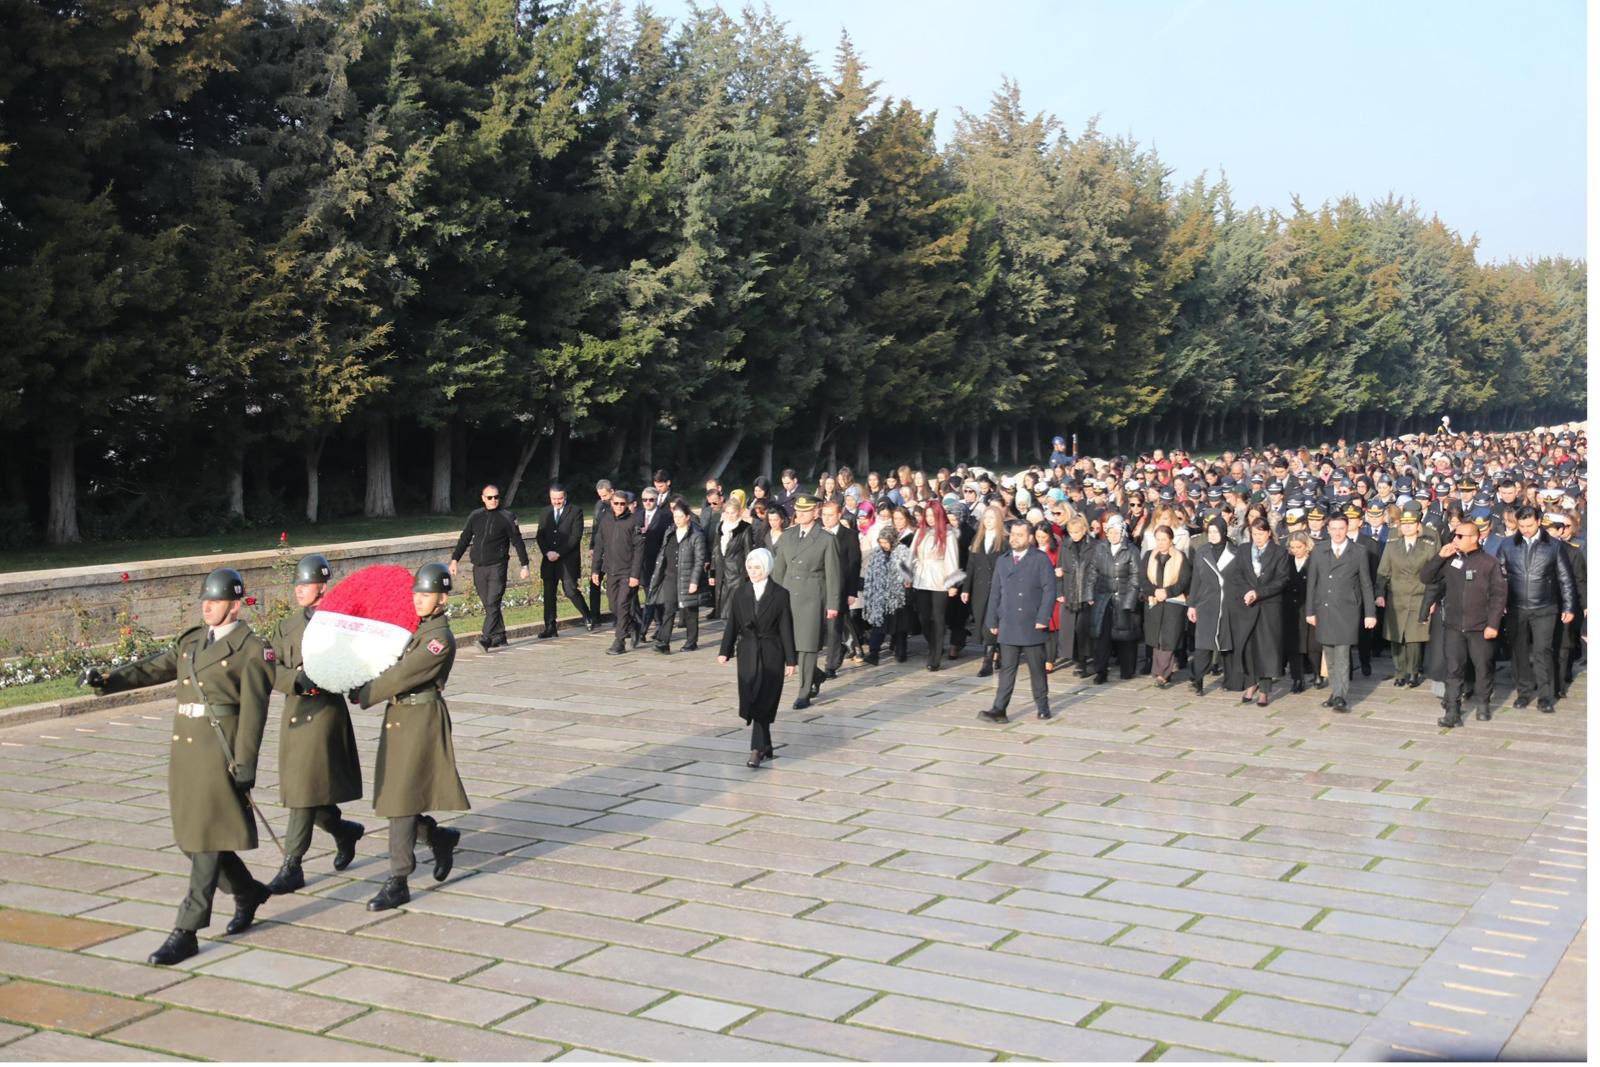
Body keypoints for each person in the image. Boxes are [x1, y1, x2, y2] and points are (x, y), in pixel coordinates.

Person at [87, 568, 274, 965]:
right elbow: (155, 667)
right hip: (186, 755)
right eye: (204, 599)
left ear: (235, 605)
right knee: (190, 840)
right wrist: (107, 680)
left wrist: (245, 763)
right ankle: (248, 891)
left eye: (216, 600)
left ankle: (186, 930)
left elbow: (255, 713)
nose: (207, 606)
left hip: (218, 757)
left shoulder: (252, 649)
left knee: (205, 840)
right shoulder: (192, 641)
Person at [356, 562, 468, 912]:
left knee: (401, 799)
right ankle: (437, 836)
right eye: (416, 593)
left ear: (442, 599)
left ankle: (398, 880)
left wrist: (365, 692)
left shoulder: (438, 639)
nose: (419, 600)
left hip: (420, 717)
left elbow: (404, 673)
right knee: (396, 795)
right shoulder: (415, 630)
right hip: (400, 716)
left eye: (426, 594)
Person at [262, 554, 365, 895]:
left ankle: (292, 865)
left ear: (323, 587)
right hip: (294, 711)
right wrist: (295, 680)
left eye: (306, 585)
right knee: (306, 790)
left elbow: (357, 666)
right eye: (297, 585)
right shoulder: (286, 626)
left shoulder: (342, 623)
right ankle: (342, 831)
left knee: (302, 792)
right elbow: (269, 668)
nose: (299, 591)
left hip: (323, 715)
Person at [1421, 520, 1507, 727]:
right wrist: (1439, 557)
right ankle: (1452, 711)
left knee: (1482, 667)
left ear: (1475, 538)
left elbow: (1499, 595)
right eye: (1454, 535)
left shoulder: (1489, 563)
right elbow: (1426, 577)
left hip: (1480, 626)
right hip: (1454, 626)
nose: (1455, 540)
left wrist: (1493, 624)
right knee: (1453, 669)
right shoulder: (1450, 559)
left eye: (1460, 536)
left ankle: (1483, 704)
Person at [717, 548, 797, 768]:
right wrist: (725, 650)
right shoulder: (740, 592)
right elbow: (732, 623)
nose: (753, 572)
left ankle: (756, 750)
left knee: (764, 699)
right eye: (750, 567)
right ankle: (766, 743)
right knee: (751, 697)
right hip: (747, 653)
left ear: (767, 568)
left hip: (772, 652)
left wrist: (791, 660)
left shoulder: (780, 594)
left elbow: (786, 628)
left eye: (757, 568)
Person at [1497, 505, 1577, 712]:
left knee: (1543, 651)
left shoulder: (1554, 546)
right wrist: (1500, 603)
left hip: (1545, 607)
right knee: (1519, 651)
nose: (1525, 529)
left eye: (1529, 525)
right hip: (1515, 608)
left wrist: (1568, 606)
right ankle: (1524, 692)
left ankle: (1545, 696)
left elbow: (1565, 579)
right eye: (1521, 525)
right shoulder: (1506, 544)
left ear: (1539, 522)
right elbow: (1499, 576)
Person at [979, 520, 1059, 722]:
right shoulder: (1003, 560)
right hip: (1008, 620)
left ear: (1030, 538)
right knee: (1007, 668)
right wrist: (992, 620)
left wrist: (1043, 617)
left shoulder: (1039, 559)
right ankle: (999, 709)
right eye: (1012, 534)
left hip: (1032, 621)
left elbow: (1050, 591)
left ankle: (1042, 705)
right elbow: (995, 591)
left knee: (1037, 668)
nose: (1014, 538)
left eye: (1020, 535)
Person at [769, 495, 841, 708]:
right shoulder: (787, 537)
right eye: (797, 510)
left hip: (812, 597)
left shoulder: (827, 539)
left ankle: (804, 692)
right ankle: (815, 675)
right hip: (788, 595)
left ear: (815, 513)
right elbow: (779, 571)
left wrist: (833, 604)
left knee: (808, 646)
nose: (799, 514)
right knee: (788, 643)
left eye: (805, 510)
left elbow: (833, 574)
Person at [1305, 513, 1377, 713]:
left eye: (1341, 528)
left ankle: (1340, 696)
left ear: (1348, 529)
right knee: (1329, 653)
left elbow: (1366, 584)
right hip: (1324, 607)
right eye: (1333, 528)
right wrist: (1310, 610)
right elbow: (1312, 583)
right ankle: (1336, 690)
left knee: (1343, 654)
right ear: (1328, 529)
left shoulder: (1359, 551)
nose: (1337, 533)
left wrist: (1370, 613)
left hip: (1347, 609)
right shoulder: (1319, 550)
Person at [449, 484, 531, 651]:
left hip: (497, 566)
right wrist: (454, 560)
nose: (493, 500)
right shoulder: (475, 516)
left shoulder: (507, 516)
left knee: (493, 601)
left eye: (496, 497)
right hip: (479, 566)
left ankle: (485, 638)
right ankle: (500, 636)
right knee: (488, 603)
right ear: (483, 498)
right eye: (490, 497)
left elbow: (517, 541)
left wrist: (525, 565)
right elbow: (464, 538)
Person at [1227, 518, 1291, 707]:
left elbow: (1281, 580)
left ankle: (1264, 690)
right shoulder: (1244, 550)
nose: (1258, 538)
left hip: (1268, 606)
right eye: (1254, 534)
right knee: (1248, 647)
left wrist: (1259, 593)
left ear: (1268, 533)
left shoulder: (1279, 553)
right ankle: (1250, 683)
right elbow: (1236, 574)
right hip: (1247, 605)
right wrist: (1247, 591)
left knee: (1266, 649)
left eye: (1261, 534)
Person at [1375, 504, 1436, 687]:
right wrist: (1379, 593)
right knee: (1396, 637)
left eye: (1411, 523)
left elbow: (1435, 575)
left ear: (1418, 525)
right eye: (1404, 524)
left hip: (1419, 596)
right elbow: (1383, 571)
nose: (1407, 527)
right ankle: (1399, 671)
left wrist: (1432, 600)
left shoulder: (1428, 546)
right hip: (1397, 597)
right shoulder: (1392, 546)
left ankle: (1413, 672)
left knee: (1414, 639)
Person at [536, 483, 597, 638]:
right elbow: (540, 535)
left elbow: (575, 537)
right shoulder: (545, 512)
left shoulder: (576, 511)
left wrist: (559, 553)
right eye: (554, 499)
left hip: (567, 559)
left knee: (570, 590)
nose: (557, 502)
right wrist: (547, 552)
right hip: (549, 559)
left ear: (565, 497)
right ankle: (550, 626)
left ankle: (587, 615)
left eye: (560, 498)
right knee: (549, 593)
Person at [909, 499, 962, 671]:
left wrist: (952, 583)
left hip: (940, 579)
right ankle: (933, 644)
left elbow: (952, 559)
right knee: (924, 617)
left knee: (938, 617)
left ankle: (935, 656)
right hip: (922, 578)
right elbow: (912, 555)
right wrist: (908, 575)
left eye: (933, 515)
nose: (930, 519)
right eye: (928, 515)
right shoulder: (920, 532)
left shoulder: (948, 533)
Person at [648, 500, 706, 653]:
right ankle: (663, 642)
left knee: (689, 609)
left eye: (680, 517)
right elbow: (663, 553)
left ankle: (691, 641)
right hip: (670, 576)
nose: (677, 520)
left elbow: (700, 560)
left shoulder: (696, 535)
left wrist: (694, 581)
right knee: (669, 608)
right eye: (675, 517)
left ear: (687, 517)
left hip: (687, 576)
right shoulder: (670, 532)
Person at [591, 491, 644, 654]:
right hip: (611, 570)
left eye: (623, 504)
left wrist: (635, 575)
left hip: (627, 572)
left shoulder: (632, 521)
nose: (620, 507)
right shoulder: (605, 519)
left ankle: (619, 641)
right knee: (613, 606)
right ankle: (633, 624)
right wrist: (595, 570)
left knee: (622, 604)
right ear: (611, 504)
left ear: (627, 504)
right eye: (616, 504)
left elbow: (639, 550)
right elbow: (599, 545)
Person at [1187, 515, 1234, 694]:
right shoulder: (1202, 551)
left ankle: (1230, 680)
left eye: (1216, 532)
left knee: (1226, 644)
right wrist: (1192, 605)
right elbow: (1196, 580)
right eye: (1210, 532)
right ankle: (1197, 680)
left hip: (1226, 603)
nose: (1213, 535)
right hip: (1206, 603)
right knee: (1203, 645)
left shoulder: (1234, 551)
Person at [1090, 515, 1141, 683]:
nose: (1113, 535)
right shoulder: (1100, 548)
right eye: (1110, 532)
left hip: (1124, 596)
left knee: (1126, 636)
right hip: (1104, 598)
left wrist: (1130, 601)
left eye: (1116, 532)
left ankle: (1127, 670)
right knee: (1101, 637)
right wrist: (1090, 595)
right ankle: (1101, 671)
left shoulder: (1131, 550)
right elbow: (1093, 572)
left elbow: (1136, 577)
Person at [1140, 526, 1190, 687]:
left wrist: (1166, 592)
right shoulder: (1149, 556)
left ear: (1171, 540)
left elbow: (1183, 581)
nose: (1160, 543)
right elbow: (1142, 579)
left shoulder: (1180, 557)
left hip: (1173, 602)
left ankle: (1163, 673)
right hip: (1154, 601)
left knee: (1168, 639)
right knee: (1157, 639)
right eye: (1158, 539)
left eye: (1164, 539)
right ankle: (1160, 671)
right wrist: (1154, 591)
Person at [962, 504, 1006, 677]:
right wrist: (966, 588)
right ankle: (996, 650)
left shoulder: (1004, 539)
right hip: (980, 588)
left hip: (998, 588)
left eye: (991, 518)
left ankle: (988, 660)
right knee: (982, 622)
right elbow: (971, 565)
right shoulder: (977, 539)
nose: (988, 522)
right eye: (985, 518)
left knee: (992, 624)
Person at [820, 500, 862, 676]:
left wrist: (852, 591)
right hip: (820, 587)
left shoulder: (849, 535)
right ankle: (841, 650)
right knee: (824, 627)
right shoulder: (818, 534)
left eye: (830, 515)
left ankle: (831, 665)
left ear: (839, 515)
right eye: (824, 515)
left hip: (841, 587)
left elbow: (854, 563)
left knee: (835, 627)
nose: (826, 519)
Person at [862, 526, 913, 665]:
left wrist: (905, 581)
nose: (883, 545)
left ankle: (901, 652)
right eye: (881, 542)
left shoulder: (903, 552)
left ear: (893, 540)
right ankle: (874, 653)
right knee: (878, 626)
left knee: (900, 626)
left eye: (886, 542)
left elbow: (908, 571)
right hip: (880, 596)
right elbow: (871, 573)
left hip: (898, 596)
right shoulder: (877, 553)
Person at [1059, 515, 1098, 677]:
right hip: (1069, 591)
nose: (1074, 535)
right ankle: (1077, 659)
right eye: (1071, 532)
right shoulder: (1065, 546)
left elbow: (1097, 570)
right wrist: (1059, 592)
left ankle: (1084, 660)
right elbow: (1058, 571)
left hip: (1087, 592)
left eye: (1077, 532)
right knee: (1071, 630)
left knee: (1084, 629)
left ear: (1084, 530)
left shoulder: (1094, 546)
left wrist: (1092, 593)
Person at [1282, 532, 1320, 691]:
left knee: (1313, 646)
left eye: (1299, 547)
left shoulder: (1314, 561)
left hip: (1310, 607)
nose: (1296, 550)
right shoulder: (1287, 561)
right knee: (1294, 646)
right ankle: (1297, 679)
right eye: (1292, 547)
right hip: (1291, 608)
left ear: (1307, 546)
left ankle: (1318, 673)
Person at [711, 497, 754, 621]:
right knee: (723, 610)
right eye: (728, 513)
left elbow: (748, 551)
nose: (730, 515)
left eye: (733, 512)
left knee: (734, 610)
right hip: (721, 573)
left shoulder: (745, 528)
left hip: (737, 573)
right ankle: (730, 636)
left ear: (739, 512)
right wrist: (712, 573)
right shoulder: (720, 527)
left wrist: (748, 574)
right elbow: (715, 550)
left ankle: (737, 637)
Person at [635, 487, 671, 638]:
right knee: (649, 593)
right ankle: (657, 624)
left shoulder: (665, 517)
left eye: (651, 500)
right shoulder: (637, 516)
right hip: (642, 563)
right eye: (645, 500)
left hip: (658, 561)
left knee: (654, 594)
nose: (648, 503)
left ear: (657, 501)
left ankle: (651, 627)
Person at [585, 479, 615, 621]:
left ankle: (617, 614)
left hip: (613, 550)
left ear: (612, 492)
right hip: (599, 548)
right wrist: (592, 546)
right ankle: (595, 614)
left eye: (605, 496)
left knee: (613, 583)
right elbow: (595, 527)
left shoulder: (618, 504)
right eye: (600, 496)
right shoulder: (600, 505)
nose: (602, 499)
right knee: (594, 580)